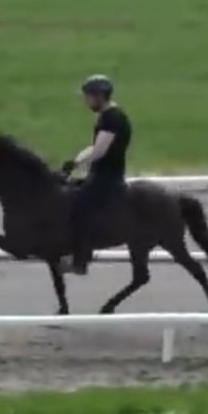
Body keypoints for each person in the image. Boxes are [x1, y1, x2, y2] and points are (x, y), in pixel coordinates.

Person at [61, 75, 132, 275]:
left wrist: (77, 164)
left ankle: (81, 260)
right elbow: (95, 146)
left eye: (88, 97)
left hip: (107, 179)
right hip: (101, 174)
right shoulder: (108, 115)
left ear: (100, 97)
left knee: (78, 207)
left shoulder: (112, 118)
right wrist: (74, 162)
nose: (86, 101)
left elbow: (99, 151)